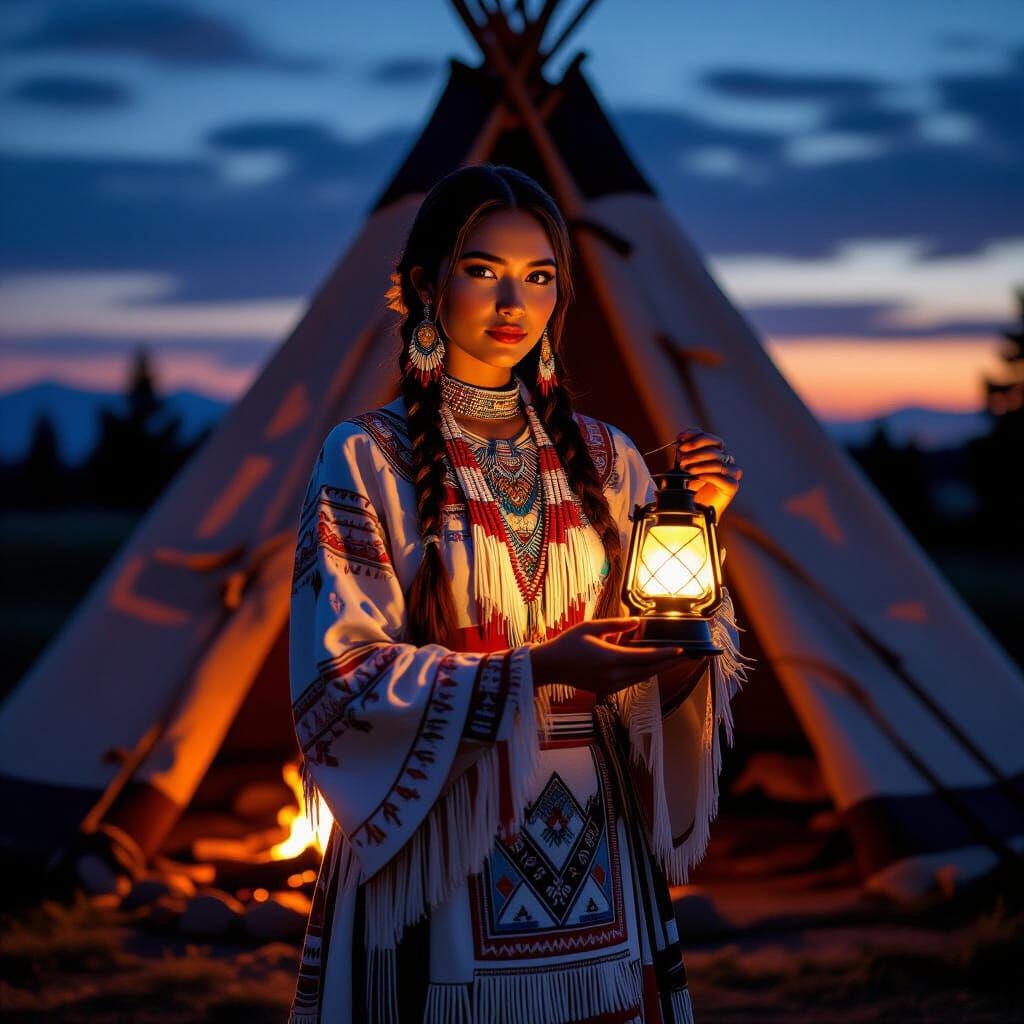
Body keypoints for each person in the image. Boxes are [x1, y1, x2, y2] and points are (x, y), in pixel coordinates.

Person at [288, 163, 749, 1024]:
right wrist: (531, 670)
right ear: (426, 284)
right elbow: (338, 682)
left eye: (539, 277)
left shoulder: (610, 462)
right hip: (440, 859)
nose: (513, 302)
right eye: (483, 269)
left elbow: (674, 642)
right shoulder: (364, 458)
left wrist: (699, 526)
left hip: (600, 859)